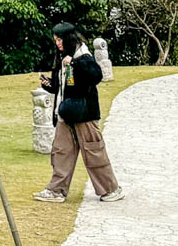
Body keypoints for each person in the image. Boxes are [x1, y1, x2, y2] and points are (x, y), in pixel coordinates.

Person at [33, 22, 125, 204]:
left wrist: (74, 63)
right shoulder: (62, 57)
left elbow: (96, 75)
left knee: (93, 151)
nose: (57, 43)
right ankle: (56, 190)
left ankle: (110, 189)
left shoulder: (83, 56)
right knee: (61, 152)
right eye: (56, 40)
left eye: (60, 39)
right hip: (66, 112)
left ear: (68, 39)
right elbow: (62, 87)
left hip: (85, 114)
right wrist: (48, 84)